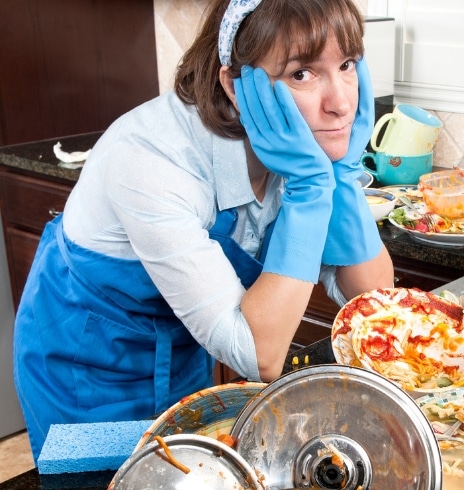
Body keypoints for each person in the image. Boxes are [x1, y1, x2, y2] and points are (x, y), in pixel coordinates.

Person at [13, 0, 394, 462]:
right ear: (235, 84)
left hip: (182, 352)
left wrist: (342, 180)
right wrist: (312, 187)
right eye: (301, 74)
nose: (341, 104)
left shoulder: (301, 151)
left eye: (347, 65)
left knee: (184, 470)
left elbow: (376, 304)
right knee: (104, 479)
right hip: (84, 371)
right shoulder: (151, 158)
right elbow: (260, 356)